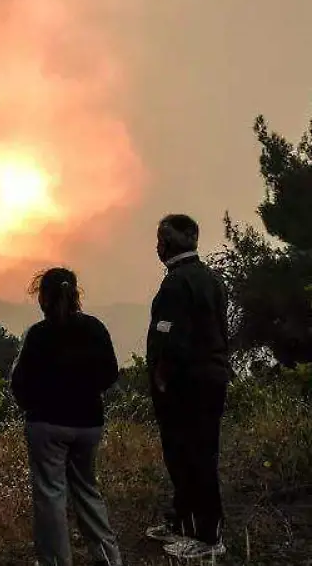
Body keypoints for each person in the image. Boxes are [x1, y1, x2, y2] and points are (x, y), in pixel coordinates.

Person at [10, 267, 123, 566]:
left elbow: (19, 383)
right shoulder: (95, 328)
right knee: (88, 491)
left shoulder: (38, 335)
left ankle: (56, 561)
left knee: (50, 497)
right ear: (75, 294)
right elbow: (110, 373)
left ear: (43, 298)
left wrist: (32, 406)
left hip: (46, 425)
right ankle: (108, 558)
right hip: (88, 423)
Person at [145, 213, 231, 560]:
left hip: (187, 385)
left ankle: (207, 536)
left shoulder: (176, 284)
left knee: (189, 455)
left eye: (160, 238)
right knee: (198, 453)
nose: (157, 245)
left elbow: (170, 337)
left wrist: (162, 375)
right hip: (212, 378)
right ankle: (182, 521)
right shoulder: (212, 279)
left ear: (166, 243)